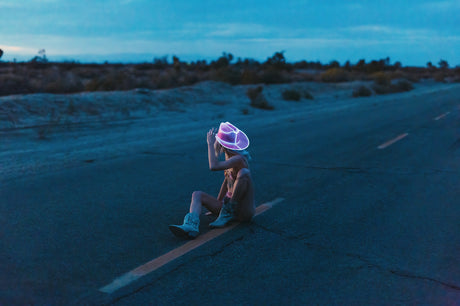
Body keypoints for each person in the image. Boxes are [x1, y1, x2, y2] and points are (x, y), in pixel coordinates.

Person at [169, 122, 255, 239]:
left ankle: (227, 212)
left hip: (243, 210)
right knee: (197, 194)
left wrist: (209, 144)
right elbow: (227, 181)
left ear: (222, 144)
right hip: (227, 206)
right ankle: (190, 225)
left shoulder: (239, 159)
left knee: (244, 173)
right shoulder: (229, 156)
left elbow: (213, 166)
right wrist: (218, 203)